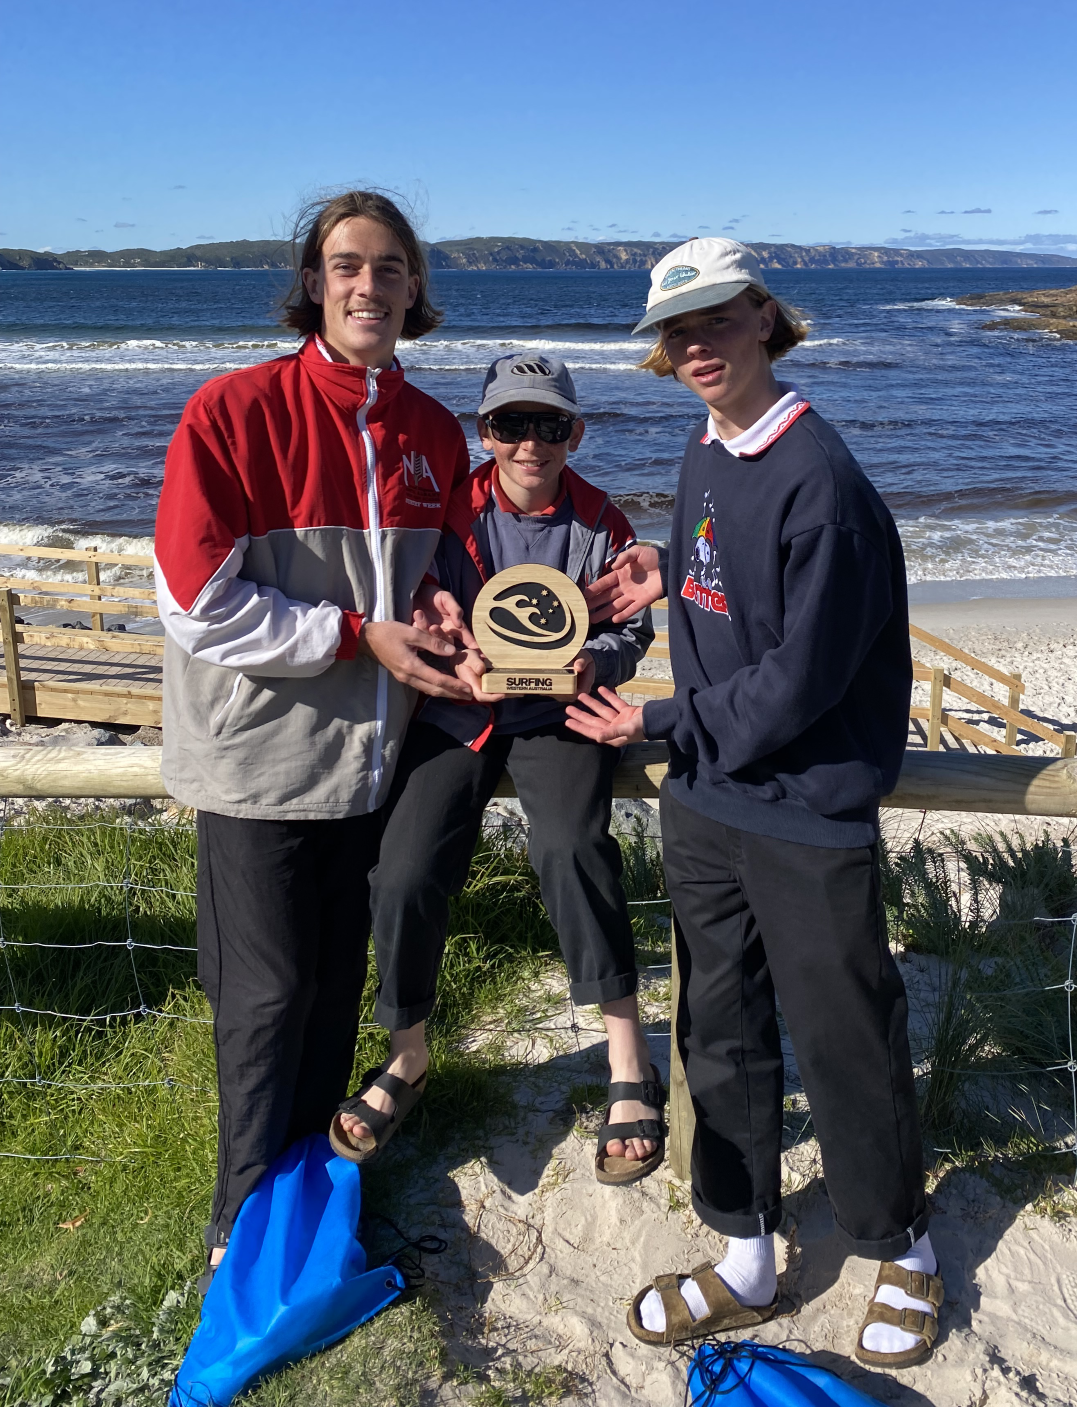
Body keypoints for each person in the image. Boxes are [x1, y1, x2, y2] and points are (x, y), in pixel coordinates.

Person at [569, 239, 941, 1368]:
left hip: (806, 802)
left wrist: (658, 723)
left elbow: (803, 679)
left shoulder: (823, 479)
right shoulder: (707, 452)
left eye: (716, 321)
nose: (694, 347)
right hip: (710, 803)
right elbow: (723, 555)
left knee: (844, 1035)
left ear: (766, 319)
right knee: (718, 1033)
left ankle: (901, 1244)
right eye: (675, 332)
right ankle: (745, 1249)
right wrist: (663, 566)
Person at [154, 190, 481, 1292]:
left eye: (392, 268)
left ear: (416, 289)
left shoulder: (434, 431)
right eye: (348, 265)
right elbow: (197, 601)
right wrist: (357, 635)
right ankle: (238, 1241)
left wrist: (434, 615)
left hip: (368, 765)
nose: (369, 286)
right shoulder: (233, 411)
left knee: (334, 988)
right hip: (258, 761)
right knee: (265, 1001)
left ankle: (305, 1200)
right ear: (311, 281)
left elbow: (426, 582)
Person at [330, 353, 668, 1184]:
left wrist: (595, 662)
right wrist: (456, 657)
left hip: (560, 715)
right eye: (510, 424)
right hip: (461, 714)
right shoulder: (450, 512)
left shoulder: (603, 523)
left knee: (573, 850)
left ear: (574, 433)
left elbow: (633, 628)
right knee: (403, 870)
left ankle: (629, 1059)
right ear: (484, 432)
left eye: (549, 425)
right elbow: (421, 608)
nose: (528, 444)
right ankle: (407, 1054)